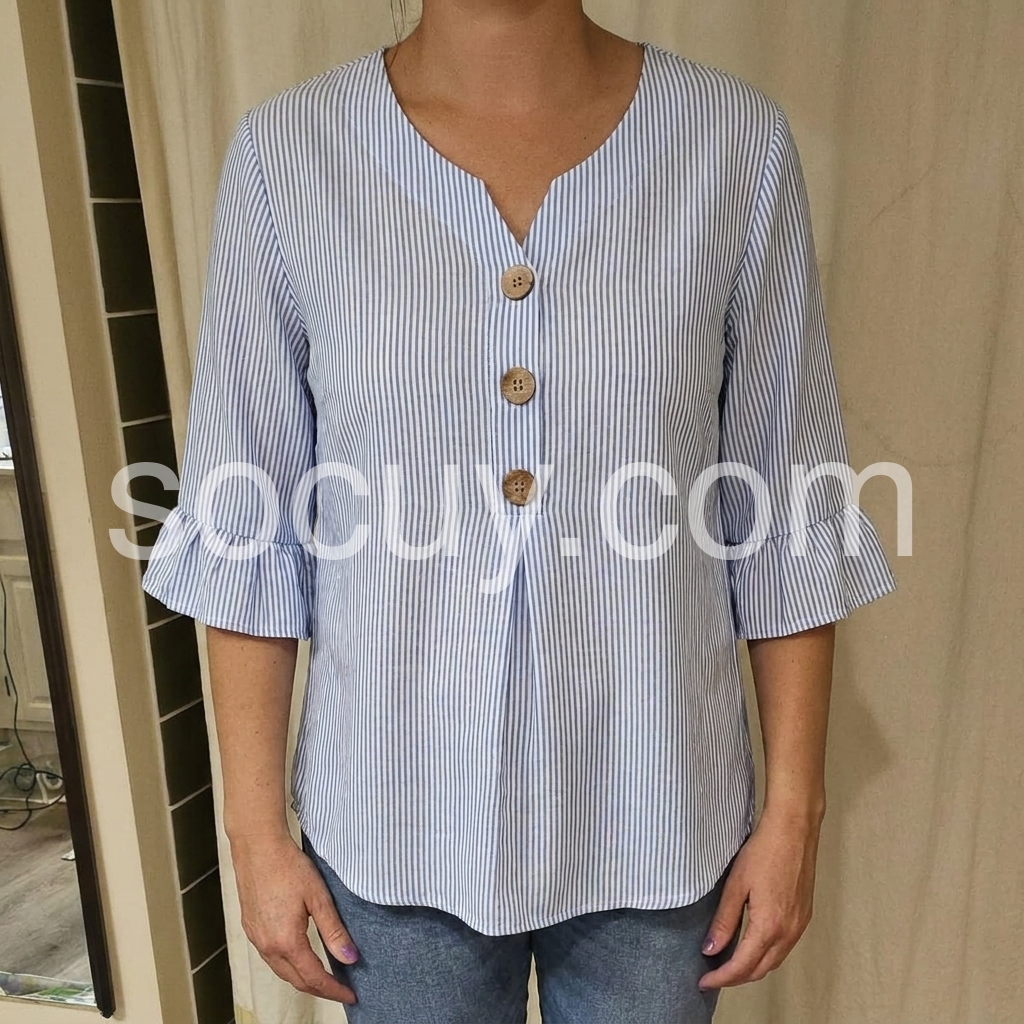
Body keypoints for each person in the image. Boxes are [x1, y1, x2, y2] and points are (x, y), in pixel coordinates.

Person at [141, 2, 898, 1021]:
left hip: (658, 817)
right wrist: (255, 833)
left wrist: (794, 811)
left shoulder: (732, 148)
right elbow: (248, 519)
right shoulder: (289, 159)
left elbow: (787, 504)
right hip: (393, 826)